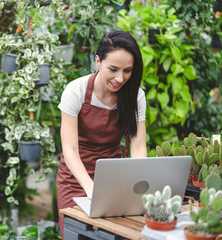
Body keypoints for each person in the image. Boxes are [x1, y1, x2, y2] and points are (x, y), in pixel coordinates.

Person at [56, 30, 147, 238]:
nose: (120, 78)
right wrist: (91, 189)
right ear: (98, 61)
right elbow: (69, 150)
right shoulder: (75, 91)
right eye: (113, 69)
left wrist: (139, 186)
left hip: (113, 179)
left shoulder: (135, 96)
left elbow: (139, 145)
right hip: (75, 180)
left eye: (127, 70)